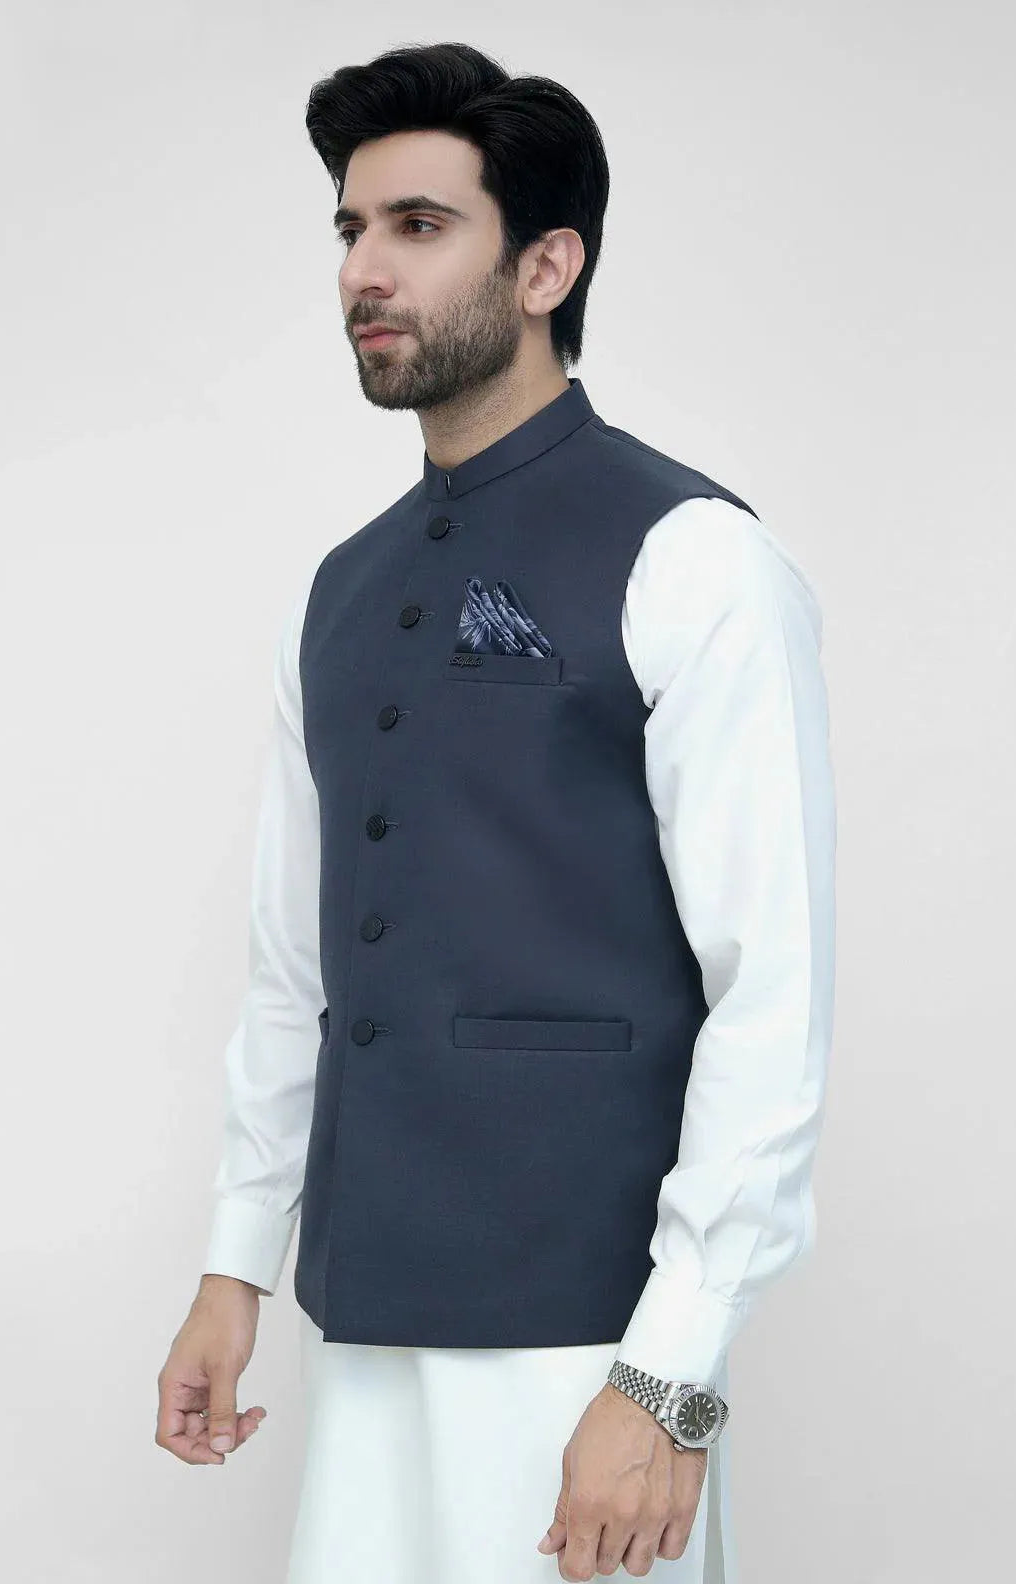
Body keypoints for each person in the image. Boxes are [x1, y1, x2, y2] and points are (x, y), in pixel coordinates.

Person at [155, 41, 836, 1584]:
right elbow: (293, 966)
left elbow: (774, 993)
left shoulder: (694, 557)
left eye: (417, 225)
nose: (364, 270)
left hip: (590, 1335)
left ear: (545, 265)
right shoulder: (339, 591)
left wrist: (666, 1380)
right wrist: (235, 1264)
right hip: (364, 1314)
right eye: (350, 229)